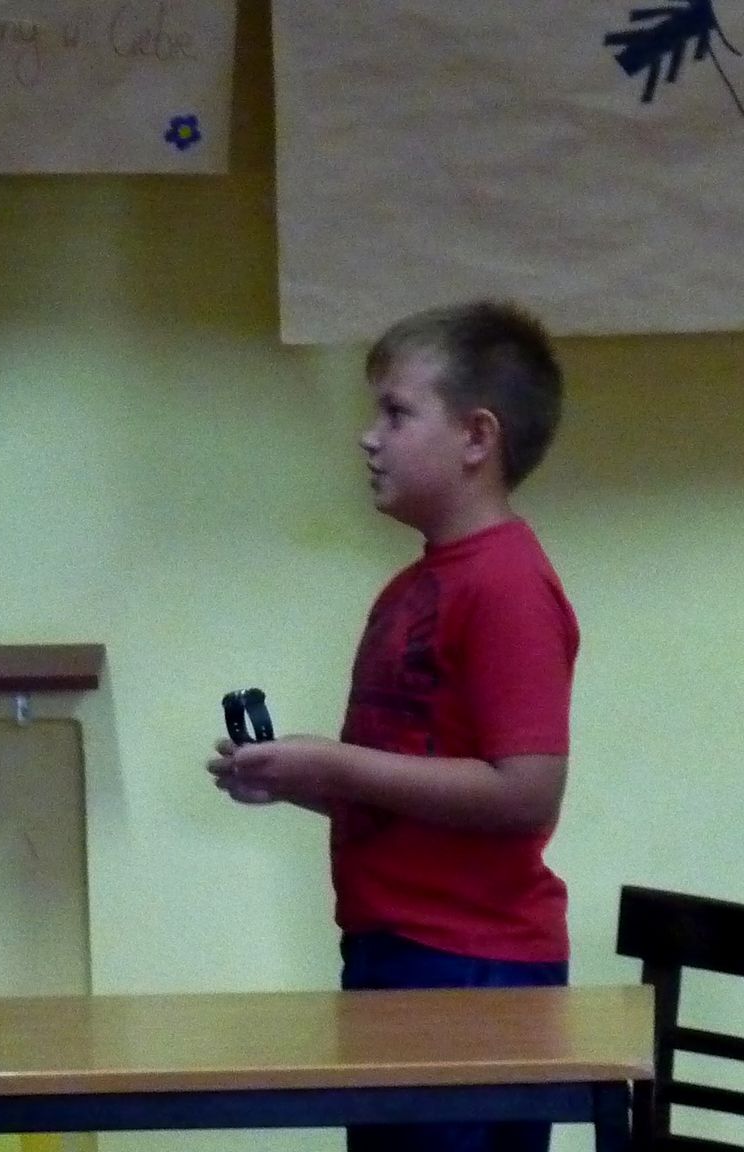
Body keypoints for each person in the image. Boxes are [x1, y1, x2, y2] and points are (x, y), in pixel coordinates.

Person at [208, 300, 578, 1152]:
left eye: (396, 413)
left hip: (474, 969)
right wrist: (301, 780)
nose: (368, 438)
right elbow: (417, 781)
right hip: (396, 953)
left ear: (477, 437)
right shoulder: (414, 588)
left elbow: (527, 791)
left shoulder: (507, 584)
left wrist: (337, 767)